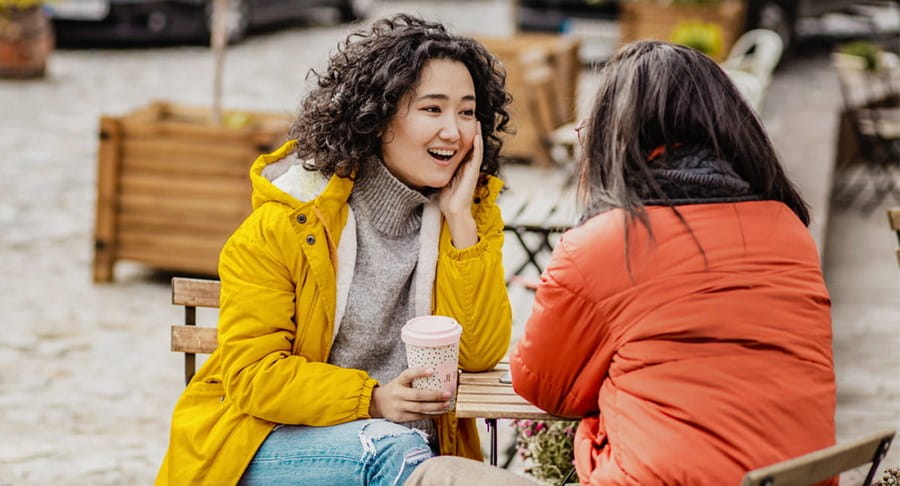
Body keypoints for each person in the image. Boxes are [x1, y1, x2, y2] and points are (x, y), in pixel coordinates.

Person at [407, 40, 836, 486]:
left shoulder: (608, 242)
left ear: (615, 136)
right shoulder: (789, 230)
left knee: (436, 476)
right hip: (797, 480)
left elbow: (543, 385)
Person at [155, 14, 513, 486]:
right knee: (389, 448)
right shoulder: (286, 223)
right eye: (432, 109)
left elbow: (479, 355)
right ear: (377, 116)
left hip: (409, 456)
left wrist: (462, 222)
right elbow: (254, 376)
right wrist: (373, 400)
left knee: (400, 451)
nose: (454, 131)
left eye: (467, 112)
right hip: (264, 445)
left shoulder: (462, 221)